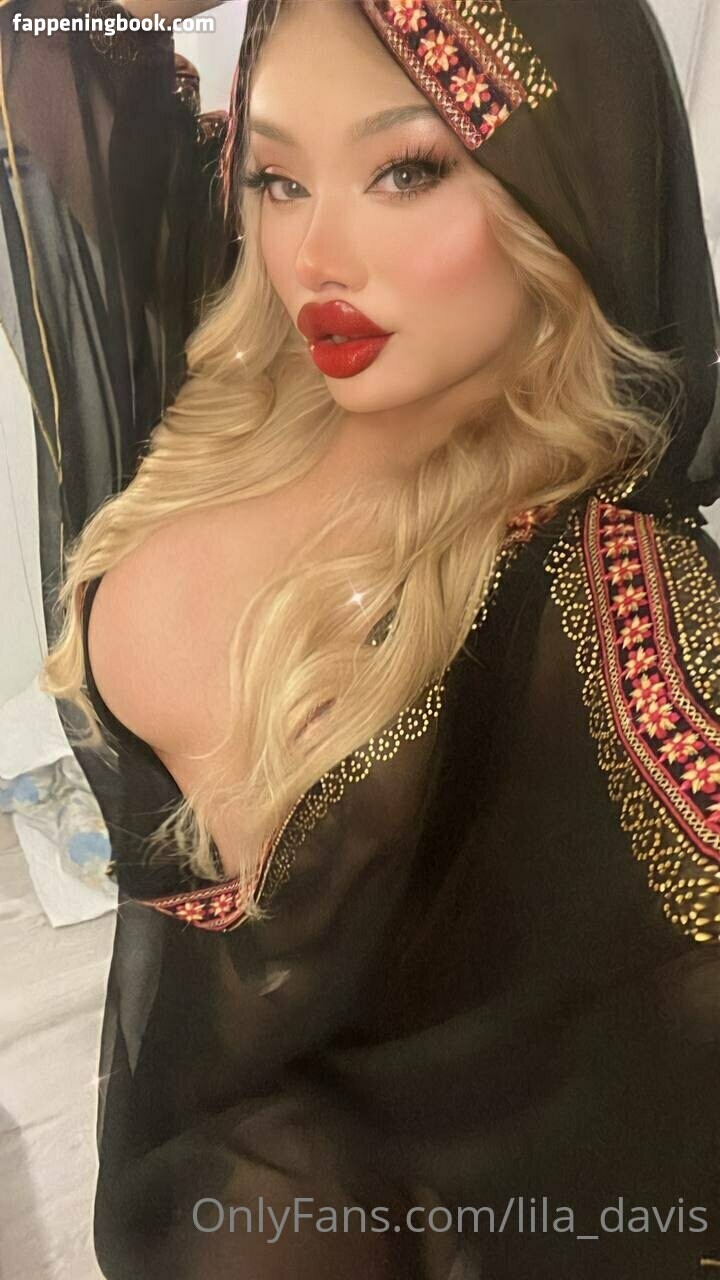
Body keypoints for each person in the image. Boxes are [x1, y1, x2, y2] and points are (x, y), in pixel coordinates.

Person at [41, 0, 720, 1275]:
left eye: (407, 169)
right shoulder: (240, 380)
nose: (315, 256)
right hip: (157, 1138)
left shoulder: (609, 589)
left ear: (571, 180)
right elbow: (50, 49)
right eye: (279, 178)